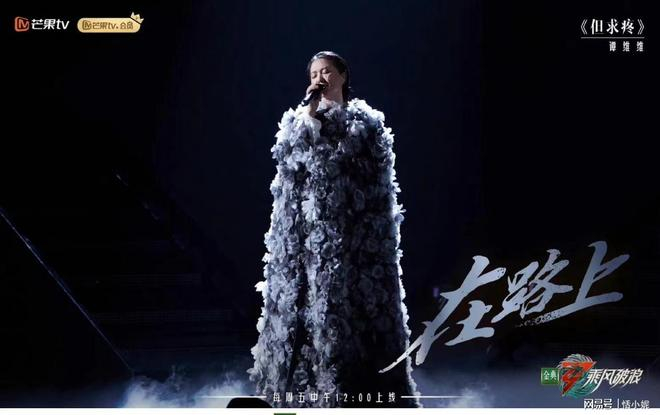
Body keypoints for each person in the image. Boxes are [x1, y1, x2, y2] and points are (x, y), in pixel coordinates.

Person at [247, 51, 420, 408]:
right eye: (314, 73)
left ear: (342, 75)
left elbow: (369, 171)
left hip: (356, 240)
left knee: (354, 314)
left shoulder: (366, 123)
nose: (319, 78)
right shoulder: (298, 121)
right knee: (312, 314)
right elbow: (290, 166)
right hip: (308, 243)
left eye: (326, 71)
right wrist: (311, 115)